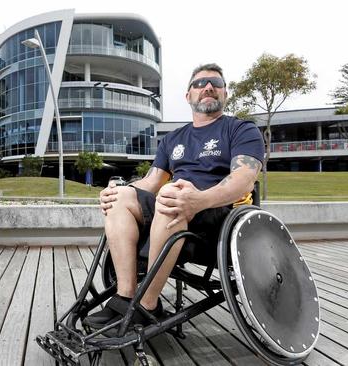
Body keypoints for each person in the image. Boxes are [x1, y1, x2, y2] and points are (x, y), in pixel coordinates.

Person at [83, 63, 265, 330]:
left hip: (219, 217)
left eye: (215, 83)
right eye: (199, 84)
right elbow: (151, 182)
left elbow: (243, 180)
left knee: (171, 194)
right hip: (173, 208)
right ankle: (125, 296)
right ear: (188, 95)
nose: (208, 87)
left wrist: (198, 200)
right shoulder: (173, 139)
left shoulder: (241, 130)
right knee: (122, 198)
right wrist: (117, 190)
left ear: (225, 94)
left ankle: (147, 305)